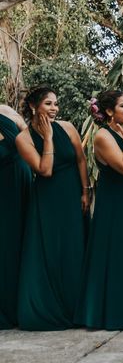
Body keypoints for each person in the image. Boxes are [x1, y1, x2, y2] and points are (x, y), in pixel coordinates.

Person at [75, 90, 123, 330]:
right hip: (114, 202)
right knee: (117, 253)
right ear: (109, 111)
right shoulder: (102, 136)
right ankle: (116, 311)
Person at [15, 87, 89, 330]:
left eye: (56, 103)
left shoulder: (68, 128)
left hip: (72, 197)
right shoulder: (23, 139)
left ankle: (77, 308)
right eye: (49, 103)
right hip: (47, 202)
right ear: (35, 107)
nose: (55, 108)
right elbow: (45, 170)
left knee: (73, 251)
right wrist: (47, 138)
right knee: (51, 253)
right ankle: (52, 308)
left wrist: (85, 191)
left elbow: (80, 158)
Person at [0, 105, 31, 329]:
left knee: (25, 240)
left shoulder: (6, 111)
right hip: (3, 192)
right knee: (6, 246)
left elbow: (29, 136)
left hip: (23, 183)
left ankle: (25, 304)